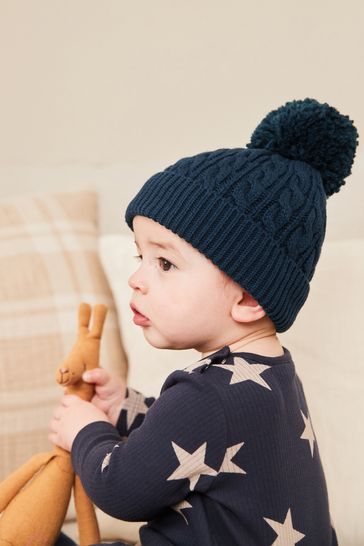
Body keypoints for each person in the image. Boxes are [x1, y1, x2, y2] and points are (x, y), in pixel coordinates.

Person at [50, 98, 358, 546]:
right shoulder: (272, 376)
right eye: (141, 257)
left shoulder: (207, 395)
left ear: (249, 297)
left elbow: (123, 490)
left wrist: (86, 432)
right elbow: (193, 444)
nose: (136, 279)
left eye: (165, 264)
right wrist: (124, 408)